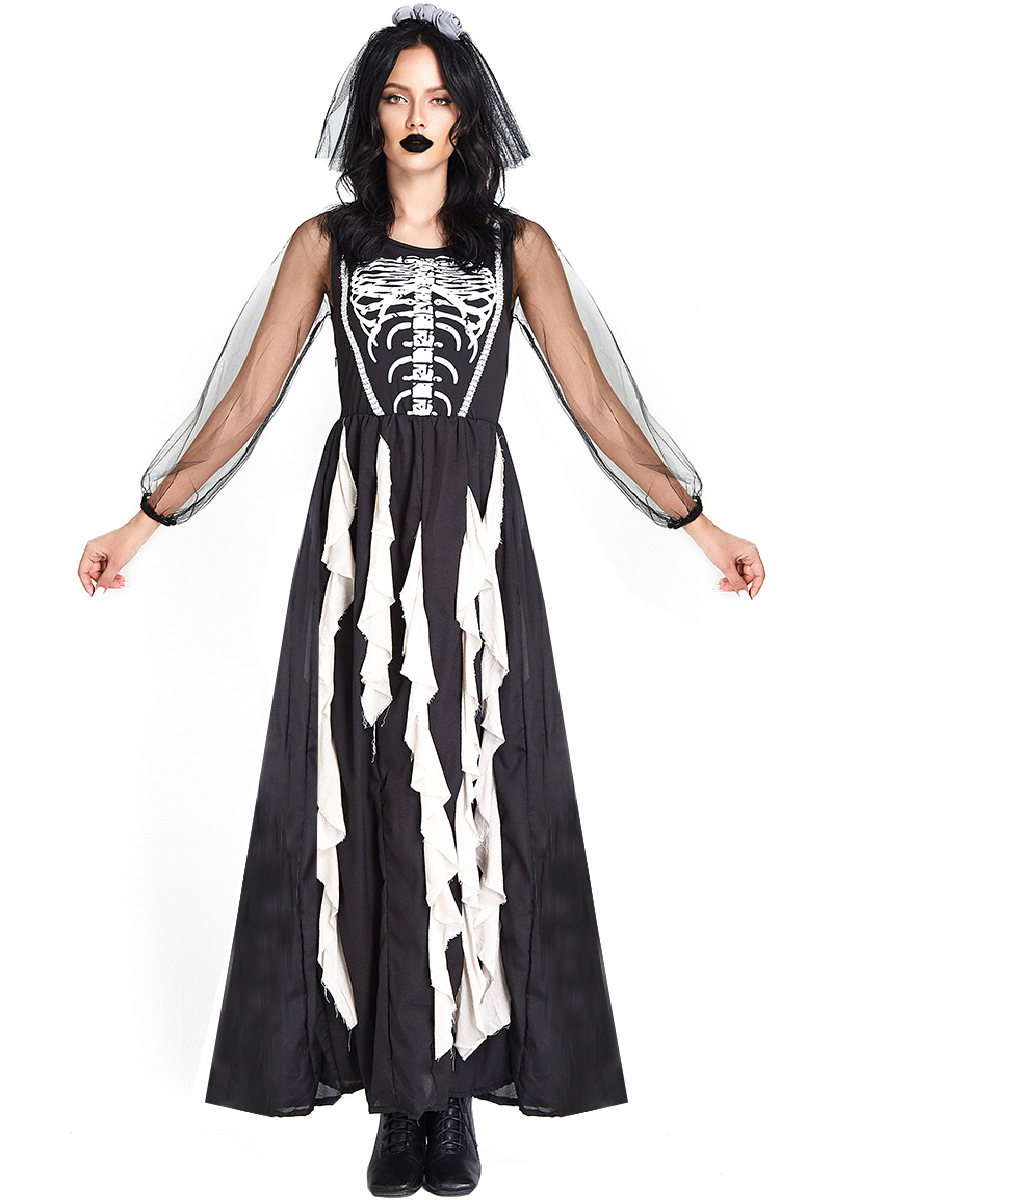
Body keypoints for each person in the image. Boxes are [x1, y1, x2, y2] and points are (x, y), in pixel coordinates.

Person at [78, 6, 765, 1196]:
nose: (415, 117)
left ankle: (453, 1094)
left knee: (479, 785)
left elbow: (598, 406)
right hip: (363, 543)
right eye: (395, 97)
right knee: (372, 792)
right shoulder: (325, 245)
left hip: (473, 548)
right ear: (370, 116)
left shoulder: (517, 248)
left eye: (436, 98)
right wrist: (145, 518)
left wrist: (698, 522)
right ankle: (400, 1101)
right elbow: (244, 402)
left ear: (466, 117)